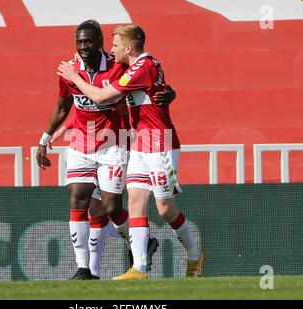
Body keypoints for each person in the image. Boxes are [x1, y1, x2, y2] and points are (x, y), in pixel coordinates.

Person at [57, 24, 205, 280]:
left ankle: (194, 255)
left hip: (161, 143)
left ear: (128, 47)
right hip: (139, 143)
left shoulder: (142, 66)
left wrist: (75, 78)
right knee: (135, 204)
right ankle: (140, 268)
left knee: (165, 210)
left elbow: (102, 97)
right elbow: (99, 105)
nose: (111, 50)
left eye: (115, 45)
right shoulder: (135, 66)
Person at [37, 20, 174, 280]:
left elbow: (152, 84)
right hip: (80, 144)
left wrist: (170, 94)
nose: (83, 46)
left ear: (99, 42)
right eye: (79, 42)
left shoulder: (117, 65)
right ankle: (83, 269)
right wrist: (44, 138)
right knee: (79, 196)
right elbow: (65, 105)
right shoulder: (69, 69)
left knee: (111, 207)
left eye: (88, 41)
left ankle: (141, 245)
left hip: (113, 143)